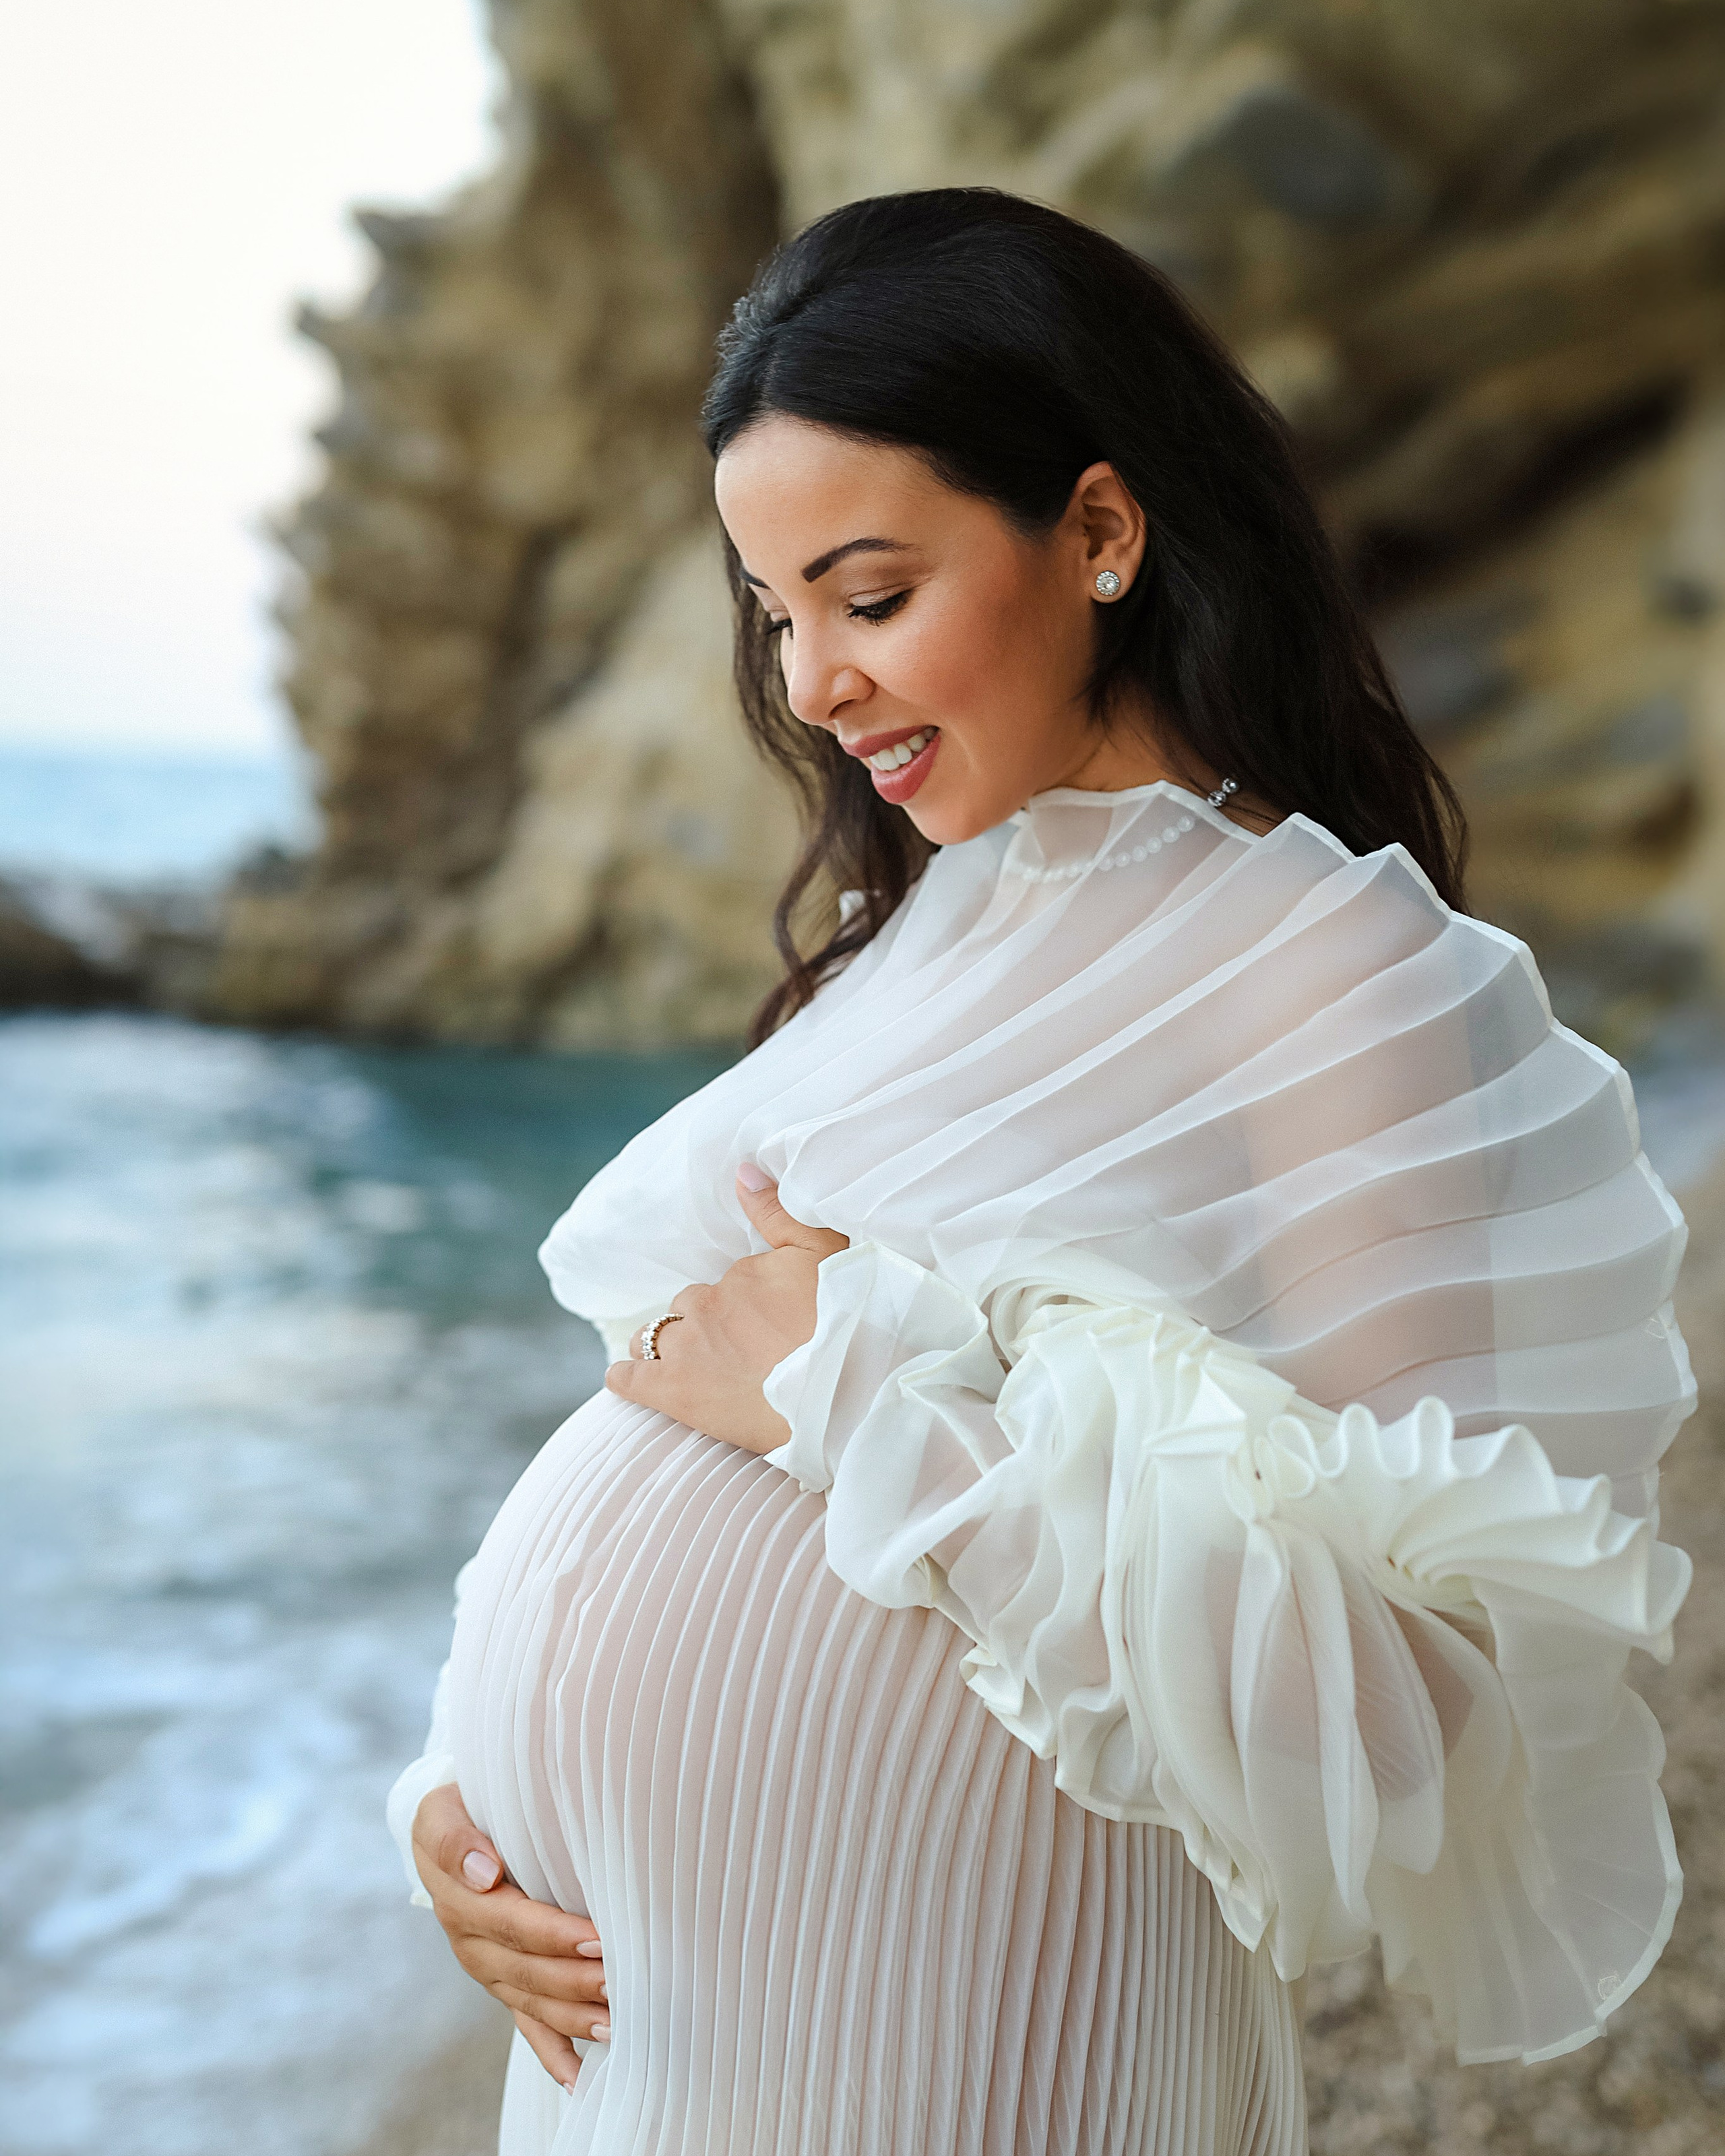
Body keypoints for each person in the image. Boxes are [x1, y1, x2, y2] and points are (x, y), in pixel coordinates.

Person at [389, 190, 1694, 2155]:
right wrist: (447, 1799)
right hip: (655, 2041)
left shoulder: (1327, 971)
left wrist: (854, 1393)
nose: (815, 681)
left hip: (977, 2038)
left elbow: (1413, 1713)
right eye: (775, 613)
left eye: (871, 592)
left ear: (1098, 531)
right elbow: (672, 1397)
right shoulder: (925, 921)